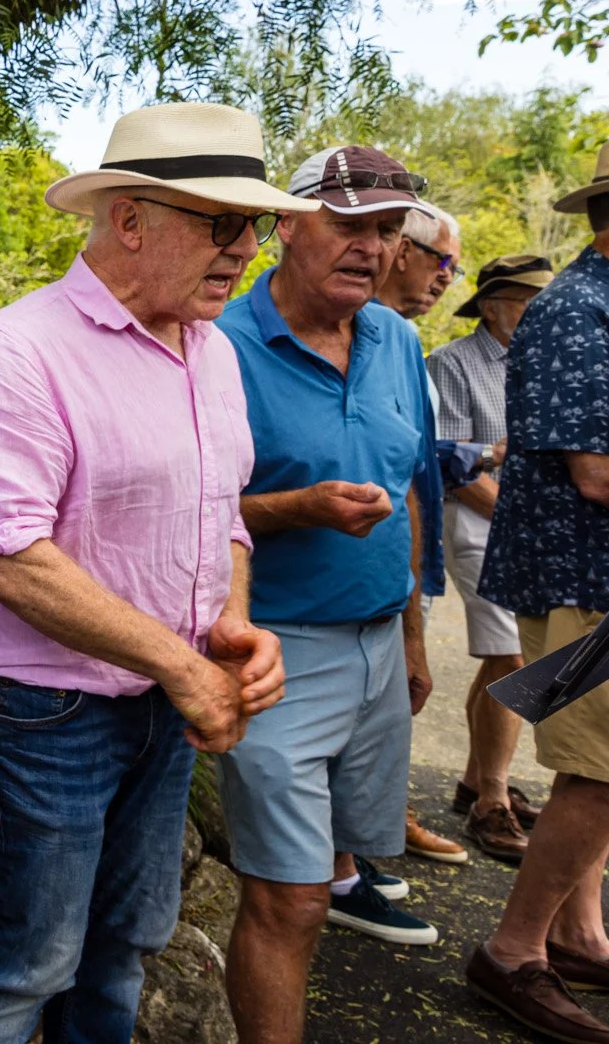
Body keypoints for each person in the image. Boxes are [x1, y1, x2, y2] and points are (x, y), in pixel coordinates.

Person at [0, 102, 293, 1043]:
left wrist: (229, 626)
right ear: (129, 218)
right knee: (23, 966)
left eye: (257, 224)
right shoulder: (22, 350)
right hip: (46, 710)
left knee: (123, 945)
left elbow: (221, 516)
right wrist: (183, 667)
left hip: (165, 700)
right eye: (223, 223)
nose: (247, 249)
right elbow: (8, 555)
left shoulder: (211, 350)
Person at [216, 146, 446, 1044]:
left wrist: (412, 636)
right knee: (291, 898)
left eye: (387, 231)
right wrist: (299, 507)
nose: (372, 248)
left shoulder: (398, 341)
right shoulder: (221, 344)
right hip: (276, 648)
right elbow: (186, 511)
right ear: (285, 222)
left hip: (380, 645)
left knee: (344, 877)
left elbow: (411, 488)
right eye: (348, 224)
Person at [462, 145, 609, 1044]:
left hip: (592, 575)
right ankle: (513, 951)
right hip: (585, 576)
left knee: (593, 768)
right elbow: (595, 473)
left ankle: (578, 934)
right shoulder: (577, 313)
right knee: (600, 773)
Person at [430, 255, 557, 865]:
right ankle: (492, 801)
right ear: (490, 306)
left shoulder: (544, 359)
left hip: (526, 527)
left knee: (505, 656)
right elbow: (456, 470)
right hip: (479, 523)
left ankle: (476, 780)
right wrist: (525, 525)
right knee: (514, 657)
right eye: (528, 302)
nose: (538, 313)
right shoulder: (452, 363)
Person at [373, 200, 473, 866]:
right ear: (403, 252)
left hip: (407, 560)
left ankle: (378, 827)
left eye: (454, 269)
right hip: (348, 573)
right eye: (443, 261)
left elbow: (417, 465)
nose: (445, 278)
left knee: (394, 701)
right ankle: (358, 850)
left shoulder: (405, 342)